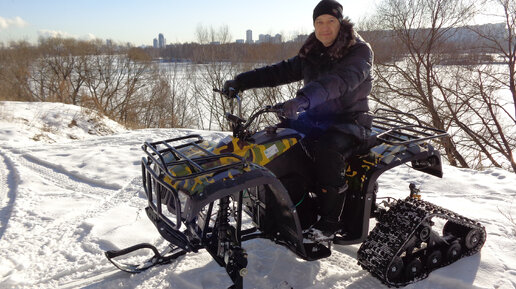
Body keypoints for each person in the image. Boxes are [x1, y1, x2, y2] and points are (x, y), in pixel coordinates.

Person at [223, 0, 374, 238]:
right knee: (277, 139)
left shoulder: (359, 52)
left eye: (330, 21)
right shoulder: (312, 52)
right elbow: (280, 71)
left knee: (327, 150)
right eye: (319, 22)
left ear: (341, 23)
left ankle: (329, 222)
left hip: (350, 121)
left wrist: (302, 100)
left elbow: (337, 82)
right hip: (316, 118)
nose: (324, 28)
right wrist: (241, 82)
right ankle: (287, 202)